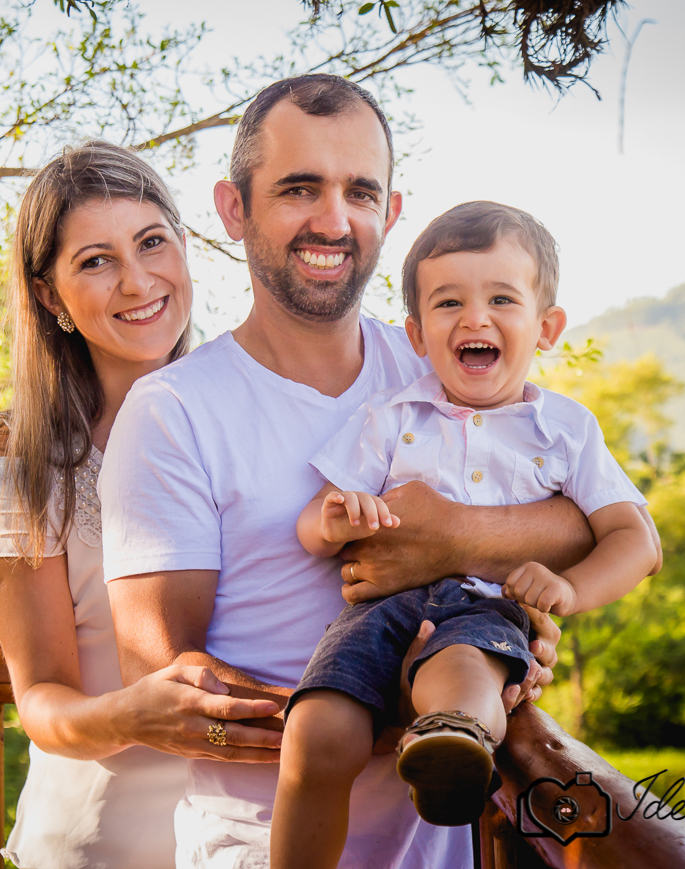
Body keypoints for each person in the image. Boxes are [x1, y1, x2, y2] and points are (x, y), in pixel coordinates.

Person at [103, 74, 660, 868]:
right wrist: (359, 708)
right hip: (251, 846)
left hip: (439, 850)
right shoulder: (174, 410)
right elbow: (165, 679)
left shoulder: (440, 363)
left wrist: (463, 565)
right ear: (233, 208)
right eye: (299, 188)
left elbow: (598, 523)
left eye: (360, 192)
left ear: (390, 213)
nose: (334, 221)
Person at [272, 201, 660, 867]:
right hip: (376, 611)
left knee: (461, 674)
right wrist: (334, 520)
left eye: (501, 299)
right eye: (449, 302)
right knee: (315, 733)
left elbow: (635, 538)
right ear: (418, 334)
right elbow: (313, 521)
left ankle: (453, 750)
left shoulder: (566, 430)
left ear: (547, 327)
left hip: (488, 608)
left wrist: (570, 588)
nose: (474, 318)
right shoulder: (392, 416)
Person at [0, 141, 282, 869]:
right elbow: (41, 698)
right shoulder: (16, 460)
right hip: (96, 845)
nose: (137, 281)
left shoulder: (255, 408)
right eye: (96, 261)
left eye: (151, 242)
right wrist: (133, 715)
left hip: (253, 840)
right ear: (51, 297)